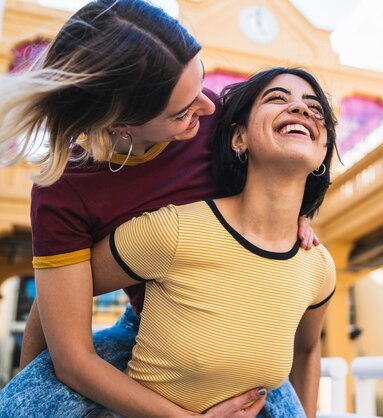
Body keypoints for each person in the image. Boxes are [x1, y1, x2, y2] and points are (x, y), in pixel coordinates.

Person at [0, 1, 316, 417]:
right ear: (120, 125)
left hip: (251, 334)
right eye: (182, 112)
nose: (207, 108)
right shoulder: (65, 192)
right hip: (150, 333)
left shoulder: (219, 121)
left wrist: (296, 212)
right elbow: (70, 353)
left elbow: (286, 161)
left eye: (201, 82)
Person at [90, 67, 337, 417]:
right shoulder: (173, 230)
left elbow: (308, 350)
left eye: (315, 108)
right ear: (239, 138)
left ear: (323, 147)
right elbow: (58, 296)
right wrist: (30, 378)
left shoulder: (318, 266)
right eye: (278, 99)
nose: (301, 110)